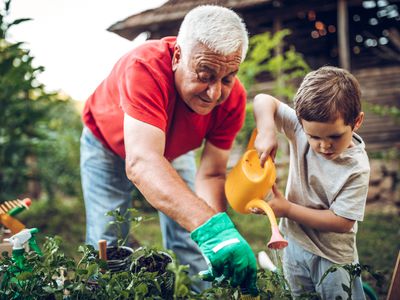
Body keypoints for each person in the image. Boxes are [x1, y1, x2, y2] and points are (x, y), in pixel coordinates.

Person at [80, 5, 258, 295]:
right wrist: (212, 228)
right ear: (177, 56)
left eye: (227, 78)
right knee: (108, 240)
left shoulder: (233, 99)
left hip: (171, 150)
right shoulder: (145, 67)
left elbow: (212, 174)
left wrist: (220, 235)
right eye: (205, 74)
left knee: (193, 238)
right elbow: (143, 162)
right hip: (106, 145)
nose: (214, 93)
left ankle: (204, 293)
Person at [253, 66, 370, 299]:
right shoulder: (299, 127)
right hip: (294, 244)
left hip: (333, 257)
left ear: (356, 122)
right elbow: (263, 100)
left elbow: (342, 222)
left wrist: (287, 209)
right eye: (314, 137)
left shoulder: (356, 167)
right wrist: (267, 131)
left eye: (335, 136)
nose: (324, 146)